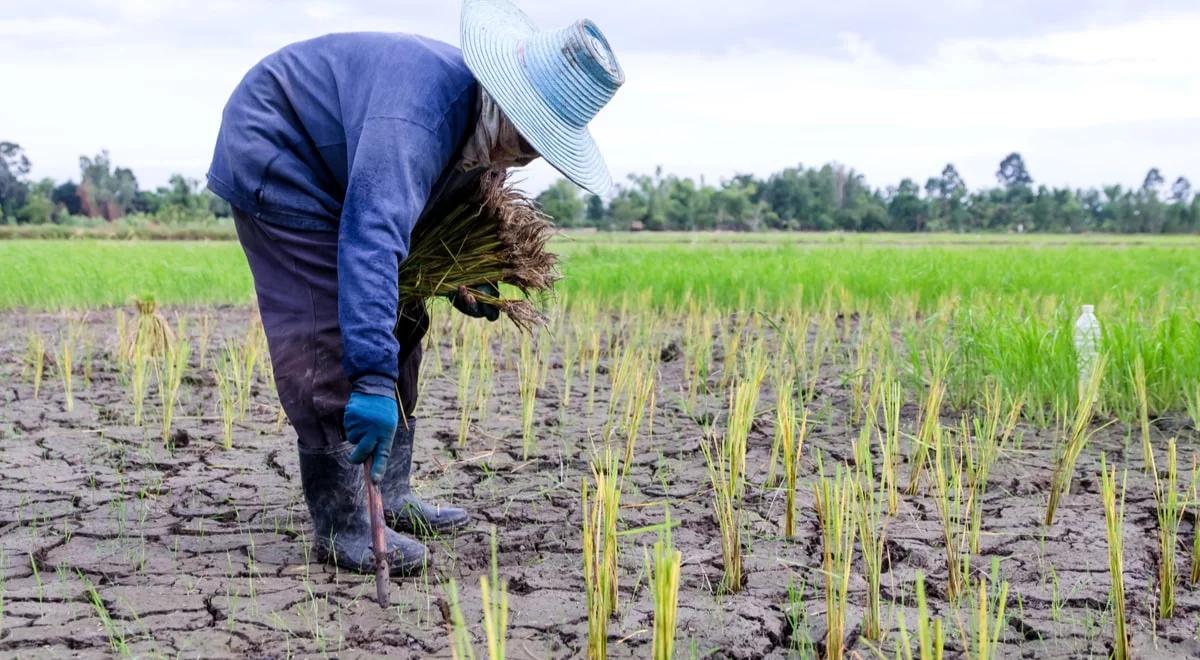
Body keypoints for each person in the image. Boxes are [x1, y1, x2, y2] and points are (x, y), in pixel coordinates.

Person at [206, 0, 624, 575]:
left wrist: (465, 279)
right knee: (323, 328)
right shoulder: (417, 119)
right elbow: (372, 239)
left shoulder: (486, 134)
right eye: (530, 134)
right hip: (281, 149)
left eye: (541, 144)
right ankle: (343, 524)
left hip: (347, 162)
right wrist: (372, 381)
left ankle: (392, 495)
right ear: (507, 98)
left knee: (403, 315)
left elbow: (422, 222)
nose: (527, 154)